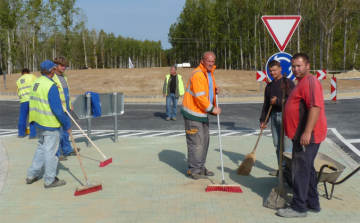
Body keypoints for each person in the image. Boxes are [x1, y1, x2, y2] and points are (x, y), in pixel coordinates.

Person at [277, 53, 327, 218]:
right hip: (299, 135)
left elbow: (315, 107)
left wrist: (306, 132)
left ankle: (299, 207)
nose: (296, 69)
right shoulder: (301, 83)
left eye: (299, 66)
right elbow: (299, 104)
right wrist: (289, 90)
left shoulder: (311, 81)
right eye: (293, 66)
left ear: (307, 66)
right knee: (307, 169)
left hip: (307, 136)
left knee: (299, 170)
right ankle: (313, 203)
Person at [26, 60, 72, 188]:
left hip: (38, 122)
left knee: (41, 148)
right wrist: (66, 125)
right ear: (52, 70)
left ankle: (32, 174)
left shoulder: (36, 82)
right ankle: (50, 179)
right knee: (50, 152)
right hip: (50, 123)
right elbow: (57, 109)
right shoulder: (50, 85)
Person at [181, 51, 221, 180]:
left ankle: (200, 167)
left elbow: (205, 90)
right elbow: (200, 96)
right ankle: (194, 170)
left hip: (202, 114)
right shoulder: (198, 74)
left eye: (212, 61)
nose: (210, 63)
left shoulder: (208, 73)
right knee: (196, 144)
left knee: (204, 143)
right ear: (202, 60)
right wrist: (212, 108)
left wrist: (214, 89)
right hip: (193, 114)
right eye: (208, 61)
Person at [259, 60, 295, 176]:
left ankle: (289, 171)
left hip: (286, 116)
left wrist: (278, 101)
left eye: (274, 70)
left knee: (287, 145)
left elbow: (293, 101)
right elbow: (266, 105)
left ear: (280, 69)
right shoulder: (269, 86)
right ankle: (282, 169)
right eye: (270, 71)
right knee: (277, 145)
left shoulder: (288, 83)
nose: (272, 72)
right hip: (274, 116)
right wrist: (263, 120)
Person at [52, 56, 80, 161]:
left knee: (67, 130)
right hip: (59, 108)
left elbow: (66, 92)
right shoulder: (53, 77)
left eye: (65, 66)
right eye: (62, 66)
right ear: (56, 66)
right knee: (58, 132)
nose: (64, 67)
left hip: (66, 107)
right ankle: (57, 153)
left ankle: (67, 149)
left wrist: (70, 104)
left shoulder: (64, 76)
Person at [16, 68, 37, 138]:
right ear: (28, 72)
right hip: (32, 100)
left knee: (22, 117)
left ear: (22, 73)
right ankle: (33, 134)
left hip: (23, 101)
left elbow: (18, 91)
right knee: (32, 117)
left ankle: (21, 134)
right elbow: (37, 85)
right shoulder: (32, 76)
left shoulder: (18, 81)